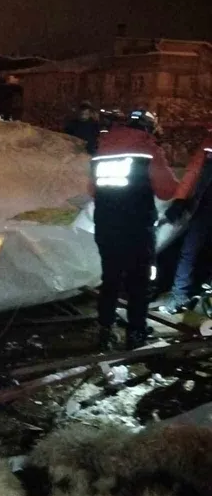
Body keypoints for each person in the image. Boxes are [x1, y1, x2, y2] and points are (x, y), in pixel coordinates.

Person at [90, 109, 178, 350]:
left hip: (106, 224)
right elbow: (167, 191)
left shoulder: (102, 149)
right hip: (136, 227)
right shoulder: (147, 149)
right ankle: (136, 332)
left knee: (110, 277)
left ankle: (104, 329)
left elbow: (92, 190)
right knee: (139, 281)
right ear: (148, 128)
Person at [159, 130, 212, 314]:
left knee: (189, 252)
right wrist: (180, 200)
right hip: (204, 206)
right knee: (190, 251)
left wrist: (181, 200)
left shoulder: (209, 141)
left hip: (204, 206)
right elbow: (194, 172)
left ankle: (180, 296)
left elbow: (193, 172)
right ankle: (183, 295)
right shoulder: (209, 142)